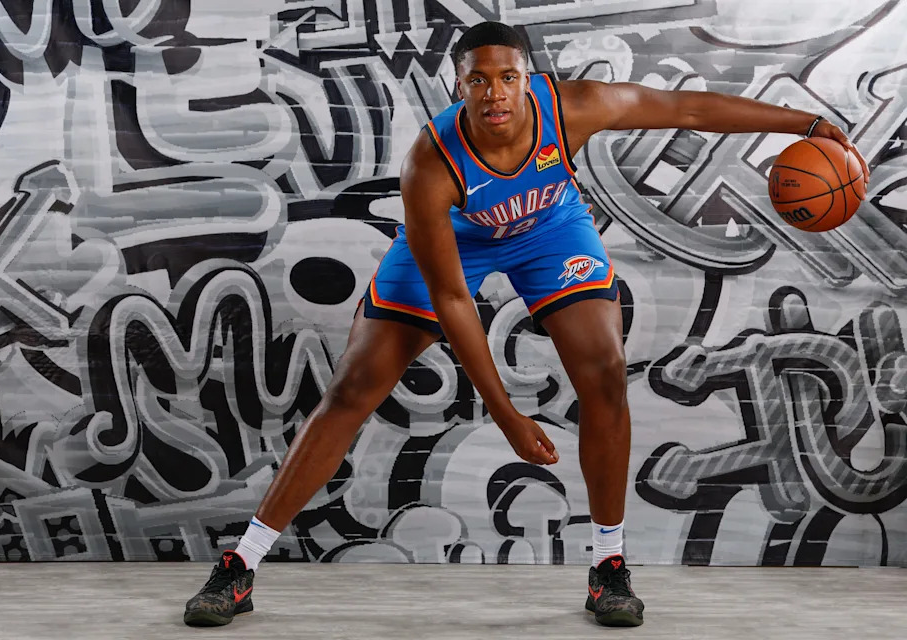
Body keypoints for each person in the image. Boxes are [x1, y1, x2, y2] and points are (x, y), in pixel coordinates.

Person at [183, 21, 870, 629]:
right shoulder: (430, 165)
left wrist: (800, 124)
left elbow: (686, 106)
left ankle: (608, 567)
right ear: (458, 88)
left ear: (528, 79)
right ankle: (241, 563)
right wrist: (506, 413)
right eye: (477, 81)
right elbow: (454, 301)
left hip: (547, 229)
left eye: (507, 77)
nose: (494, 93)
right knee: (353, 389)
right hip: (457, 239)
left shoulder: (573, 107)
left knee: (603, 376)